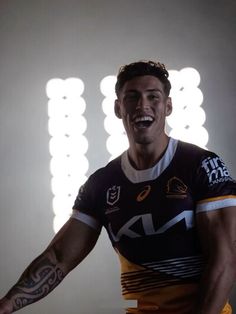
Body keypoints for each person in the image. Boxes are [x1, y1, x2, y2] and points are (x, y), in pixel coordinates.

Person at [0, 60, 236, 314]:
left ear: (168, 106)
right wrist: (6, 305)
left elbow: (225, 259)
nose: (142, 105)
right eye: (131, 97)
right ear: (117, 107)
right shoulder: (102, 183)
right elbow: (59, 258)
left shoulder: (202, 165)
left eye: (153, 97)